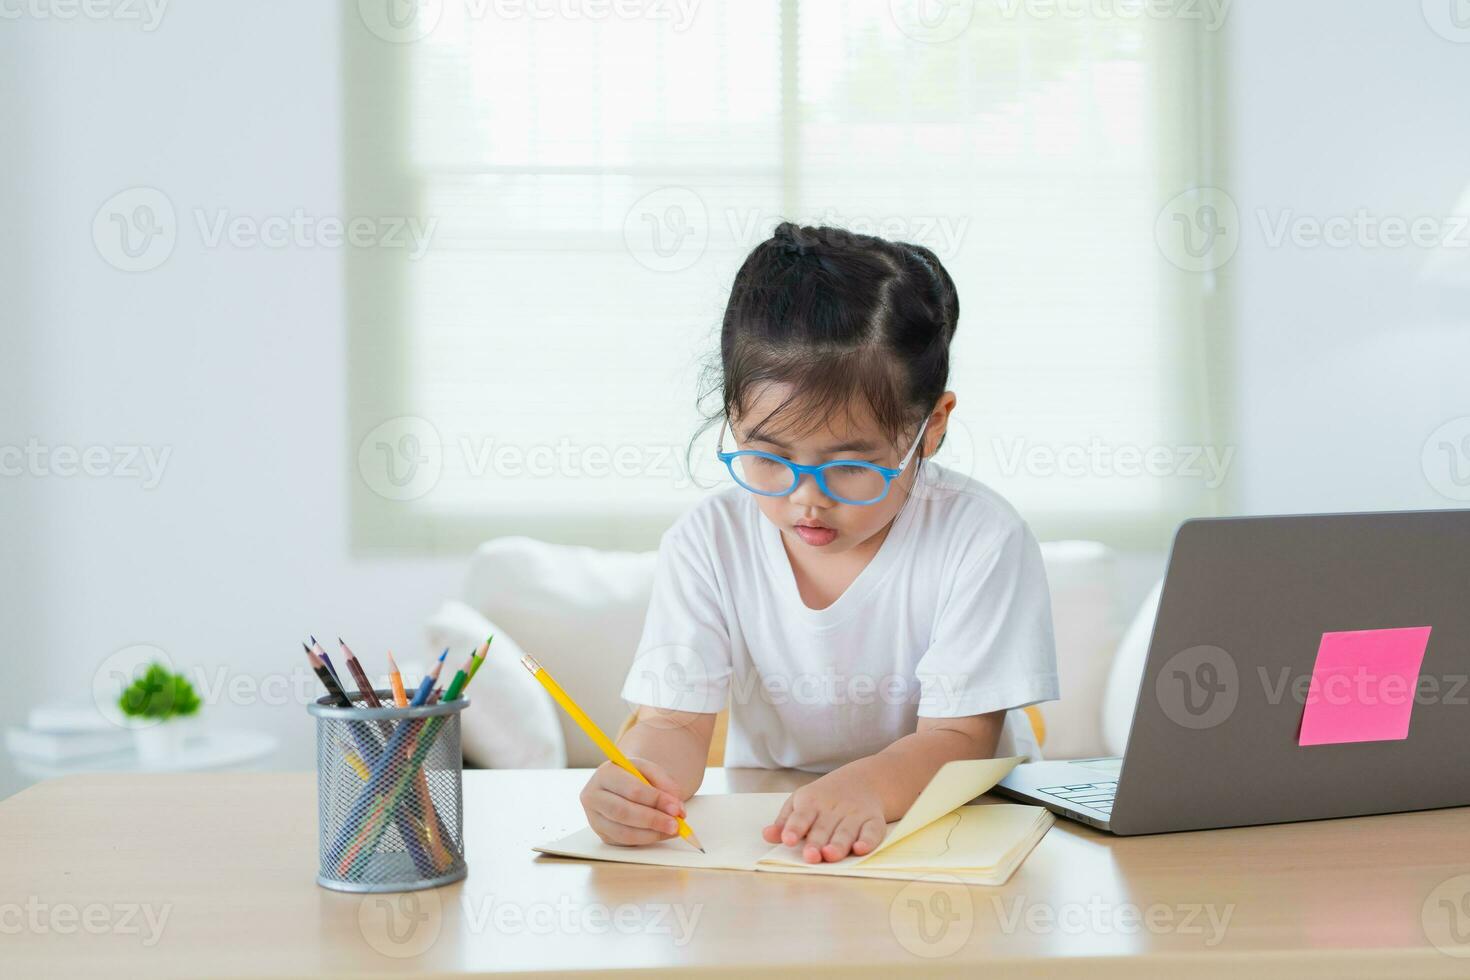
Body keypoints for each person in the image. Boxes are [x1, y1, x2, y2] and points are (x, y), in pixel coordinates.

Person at [580, 222, 1059, 863]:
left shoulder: (980, 537)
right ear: (733, 420)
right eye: (770, 458)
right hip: (778, 827)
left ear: (932, 426)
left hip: (955, 822)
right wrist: (639, 781)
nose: (807, 498)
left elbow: (960, 738)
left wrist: (861, 785)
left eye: (850, 465)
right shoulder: (709, 540)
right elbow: (674, 724)